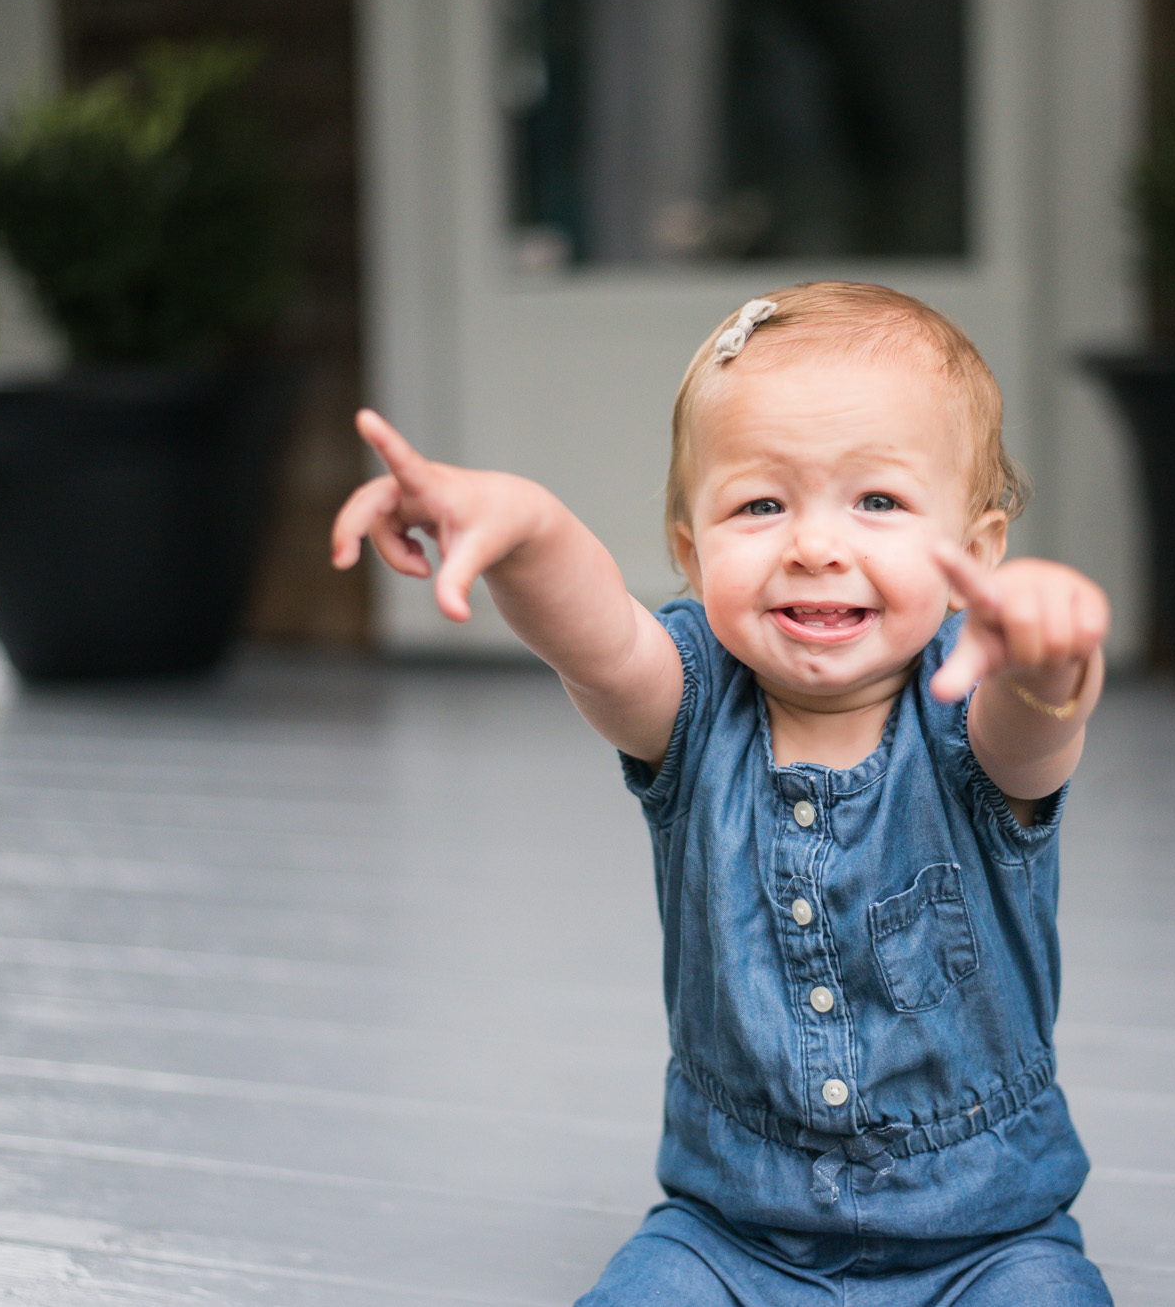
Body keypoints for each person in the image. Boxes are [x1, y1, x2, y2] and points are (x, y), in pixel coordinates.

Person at [332, 282, 1114, 1305]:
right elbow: (601, 642)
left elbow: (1032, 734)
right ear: (692, 555)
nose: (815, 545)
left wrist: (1048, 657)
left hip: (986, 1237)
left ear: (973, 555)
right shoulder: (689, 708)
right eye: (759, 504)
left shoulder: (973, 709)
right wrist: (520, 528)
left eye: (876, 501)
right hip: (731, 1238)